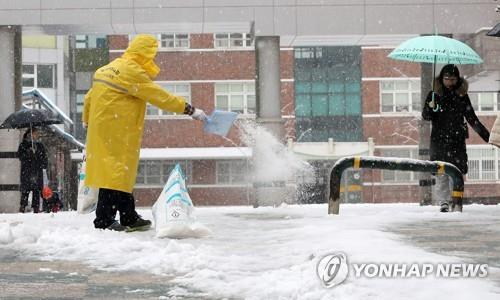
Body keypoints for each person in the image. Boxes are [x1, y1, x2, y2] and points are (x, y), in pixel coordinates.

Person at [83, 34, 207, 232]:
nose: (153, 60)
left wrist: (86, 121)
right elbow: (159, 96)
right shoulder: (131, 72)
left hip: (101, 130)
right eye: (151, 55)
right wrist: (189, 109)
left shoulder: (106, 69)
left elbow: (89, 97)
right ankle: (104, 220)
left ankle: (128, 216)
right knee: (115, 175)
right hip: (118, 131)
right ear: (145, 54)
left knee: (118, 173)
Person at [422, 64, 490, 212]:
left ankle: (456, 200)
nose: (450, 82)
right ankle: (443, 203)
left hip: (457, 141)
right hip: (439, 140)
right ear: (442, 78)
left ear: (458, 79)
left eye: (453, 79)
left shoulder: (462, 96)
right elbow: (426, 116)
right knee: (441, 172)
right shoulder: (434, 95)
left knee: (456, 172)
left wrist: (488, 137)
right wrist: (431, 107)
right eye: (447, 79)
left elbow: (472, 118)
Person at [17, 127, 48, 213]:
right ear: (30, 134)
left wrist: (38, 157)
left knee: (37, 190)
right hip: (27, 171)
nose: (37, 135)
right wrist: (28, 153)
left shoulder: (40, 145)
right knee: (25, 190)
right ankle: (22, 206)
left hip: (37, 171)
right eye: (35, 133)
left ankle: (36, 208)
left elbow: (44, 159)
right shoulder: (23, 145)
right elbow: (20, 156)